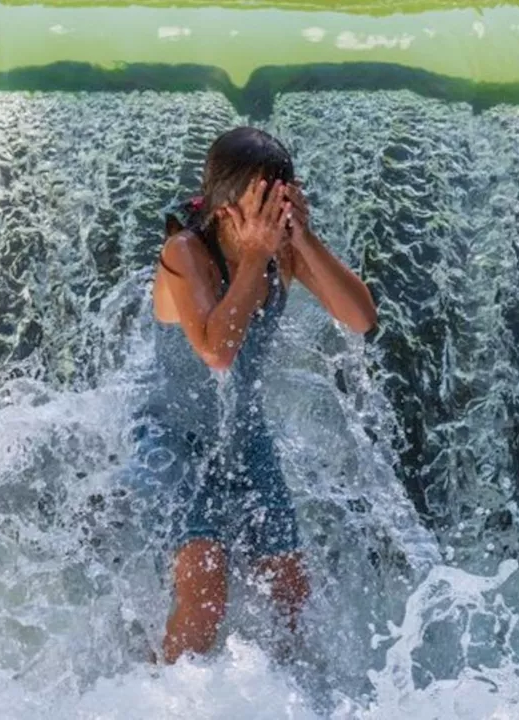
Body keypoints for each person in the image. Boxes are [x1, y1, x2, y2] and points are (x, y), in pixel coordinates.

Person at [135, 127, 378, 664]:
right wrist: (252, 258)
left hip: (243, 437)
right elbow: (216, 352)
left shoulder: (282, 252)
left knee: (291, 593)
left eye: (281, 198)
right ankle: (155, 698)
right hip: (173, 435)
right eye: (262, 200)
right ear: (224, 206)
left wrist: (304, 239)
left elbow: (361, 319)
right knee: (206, 590)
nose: (273, 212)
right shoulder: (184, 251)